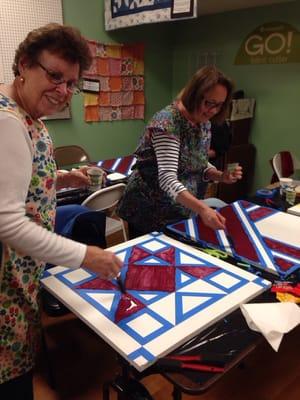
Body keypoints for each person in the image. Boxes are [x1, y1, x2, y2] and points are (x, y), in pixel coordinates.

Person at [0, 23, 122, 398]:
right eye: (55, 76)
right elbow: (8, 223)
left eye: (71, 83)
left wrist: (64, 178)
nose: (63, 91)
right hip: (5, 277)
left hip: (22, 272)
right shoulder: (7, 121)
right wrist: (85, 256)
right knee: (11, 381)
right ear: (23, 65)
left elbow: (24, 178)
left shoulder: (27, 114)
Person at [117, 65, 243, 238]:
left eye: (219, 105)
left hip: (179, 209)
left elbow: (196, 161)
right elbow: (167, 179)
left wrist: (220, 176)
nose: (213, 110)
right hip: (148, 210)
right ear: (194, 95)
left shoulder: (203, 121)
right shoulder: (167, 123)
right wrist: (203, 208)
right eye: (208, 103)